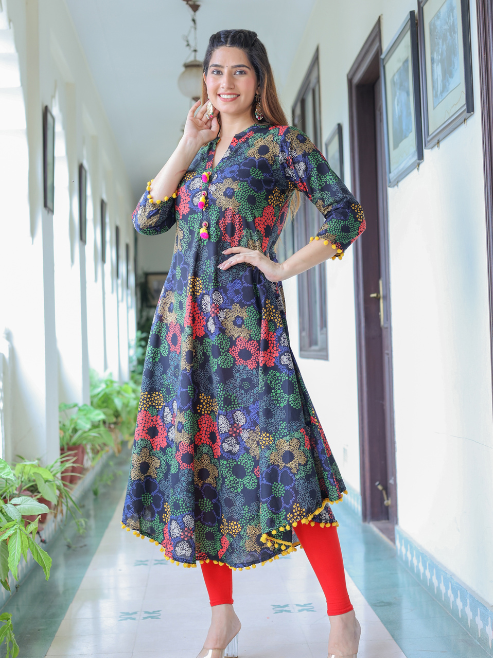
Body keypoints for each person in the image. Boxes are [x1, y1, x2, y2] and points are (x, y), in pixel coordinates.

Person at [121, 28, 366, 658]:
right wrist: (186, 143)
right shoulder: (198, 153)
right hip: (183, 332)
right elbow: (147, 218)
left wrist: (281, 267)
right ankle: (221, 618)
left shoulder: (281, 144)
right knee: (198, 465)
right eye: (215, 71)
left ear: (258, 81)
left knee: (290, 463)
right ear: (204, 80)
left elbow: (347, 214)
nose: (224, 82)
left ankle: (342, 617)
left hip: (247, 331)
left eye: (238, 71)